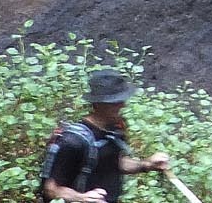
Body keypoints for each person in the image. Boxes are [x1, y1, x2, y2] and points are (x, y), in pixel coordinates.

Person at [39, 70, 170, 203]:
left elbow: (114, 163)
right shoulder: (72, 141)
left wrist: (147, 164)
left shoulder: (115, 129)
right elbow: (50, 189)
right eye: (115, 102)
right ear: (98, 104)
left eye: (122, 100)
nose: (122, 105)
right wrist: (82, 198)